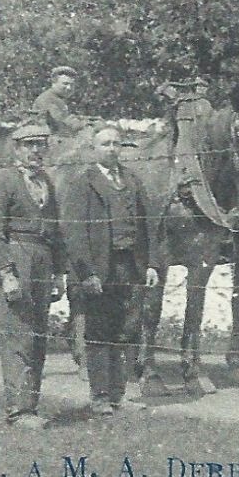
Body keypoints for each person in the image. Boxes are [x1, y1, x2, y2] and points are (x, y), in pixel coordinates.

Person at [68, 124, 160, 416]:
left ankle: (124, 392)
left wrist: (152, 264)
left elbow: (149, 226)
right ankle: (100, 395)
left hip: (130, 266)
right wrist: (87, 273)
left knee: (130, 329)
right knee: (98, 332)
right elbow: (75, 233)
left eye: (116, 144)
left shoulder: (132, 180)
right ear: (94, 149)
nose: (111, 149)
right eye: (105, 144)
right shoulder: (83, 183)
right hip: (99, 269)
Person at [0, 122, 63, 429]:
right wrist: (6, 272)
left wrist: (58, 273)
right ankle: (18, 410)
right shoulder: (3, 180)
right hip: (15, 257)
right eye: (30, 145)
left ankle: (32, 405)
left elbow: (56, 230)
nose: (37, 150)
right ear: (17, 149)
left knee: (38, 333)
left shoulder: (47, 182)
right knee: (17, 332)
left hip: (42, 258)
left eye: (41, 144)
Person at [33, 66, 90, 138]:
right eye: (65, 84)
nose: (69, 88)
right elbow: (63, 123)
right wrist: (87, 124)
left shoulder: (59, 99)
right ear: (54, 83)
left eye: (72, 85)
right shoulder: (47, 99)